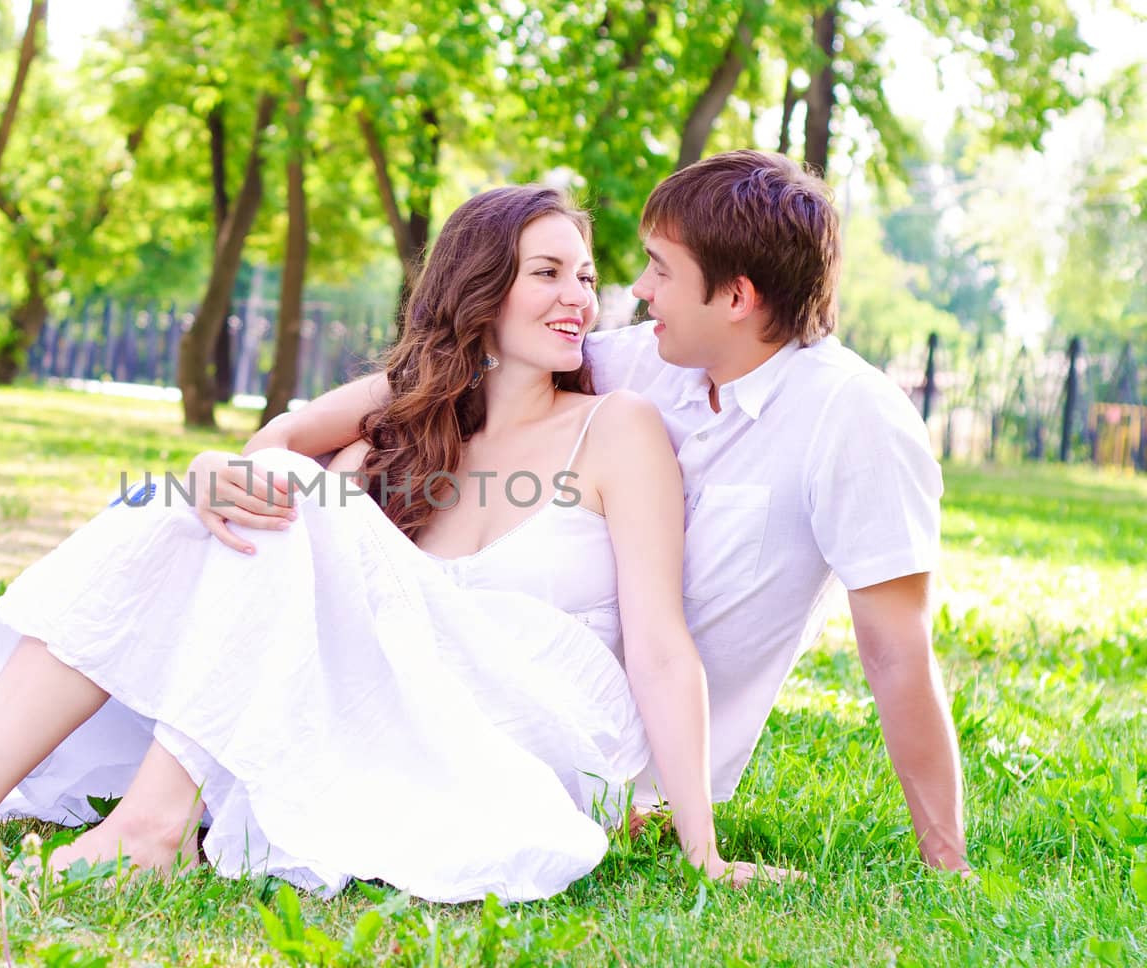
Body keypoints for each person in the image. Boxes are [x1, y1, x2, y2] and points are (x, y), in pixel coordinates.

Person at [0, 185, 796, 900]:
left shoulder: (615, 429)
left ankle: (150, 824)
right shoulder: (412, 424)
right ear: (481, 288)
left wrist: (697, 838)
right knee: (211, 498)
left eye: (587, 275)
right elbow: (268, 452)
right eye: (547, 272)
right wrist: (203, 477)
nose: (580, 295)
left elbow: (662, 644)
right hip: (414, 680)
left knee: (277, 488)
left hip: (538, 709)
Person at [212, 149, 969, 873]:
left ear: (737, 297)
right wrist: (254, 450)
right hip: (499, 683)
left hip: (608, 751)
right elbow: (456, 372)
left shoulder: (855, 419)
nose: (637, 291)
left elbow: (897, 652)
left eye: (661, 270)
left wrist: (947, 864)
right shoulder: (645, 360)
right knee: (330, 479)